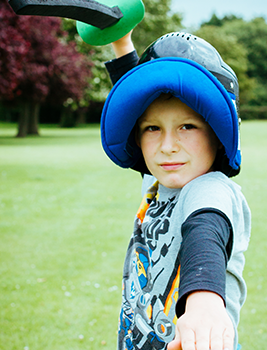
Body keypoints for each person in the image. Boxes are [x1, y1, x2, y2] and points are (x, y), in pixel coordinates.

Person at [101, 31, 251, 350]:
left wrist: (204, 302)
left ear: (217, 134)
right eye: (152, 128)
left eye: (187, 126)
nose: (167, 147)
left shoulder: (209, 190)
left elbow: (205, 230)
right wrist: (121, 42)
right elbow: (133, 97)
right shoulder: (160, 182)